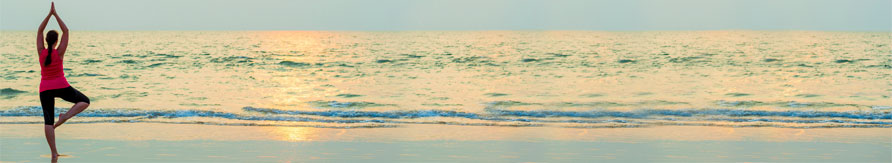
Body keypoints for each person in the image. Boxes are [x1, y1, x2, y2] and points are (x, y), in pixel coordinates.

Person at [36, 2, 91, 161]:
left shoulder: (41, 52)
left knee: (47, 121)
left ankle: (54, 152)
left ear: (46, 40)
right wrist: (55, 14)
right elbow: (66, 30)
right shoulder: (60, 52)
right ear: (57, 41)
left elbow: (39, 30)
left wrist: (48, 15)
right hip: (61, 86)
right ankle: (65, 117)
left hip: (45, 88)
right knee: (85, 101)